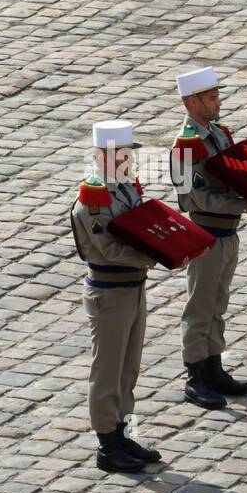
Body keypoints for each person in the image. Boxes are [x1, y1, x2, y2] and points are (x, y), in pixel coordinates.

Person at [70, 120, 162, 473]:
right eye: (121, 155)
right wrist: (155, 255)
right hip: (110, 290)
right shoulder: (93, 201)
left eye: (129, 154)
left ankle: (121, 431)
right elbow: (107, 249)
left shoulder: (124, 189)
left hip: (133, 286)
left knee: (128, 366)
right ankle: (107, 443)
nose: (128, 160)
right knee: (107, 369)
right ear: (101, 157)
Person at [172, 66, 247, 409]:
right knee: (200, 306)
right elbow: (190, 199)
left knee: (218, 303)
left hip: (228, 232)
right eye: (211, 98)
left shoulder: (219, 134)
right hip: (206, 232)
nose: (218, 102)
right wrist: (242, 201)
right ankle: (195, 374)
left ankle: (214, 365)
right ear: (192, 102)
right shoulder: (185, 147)